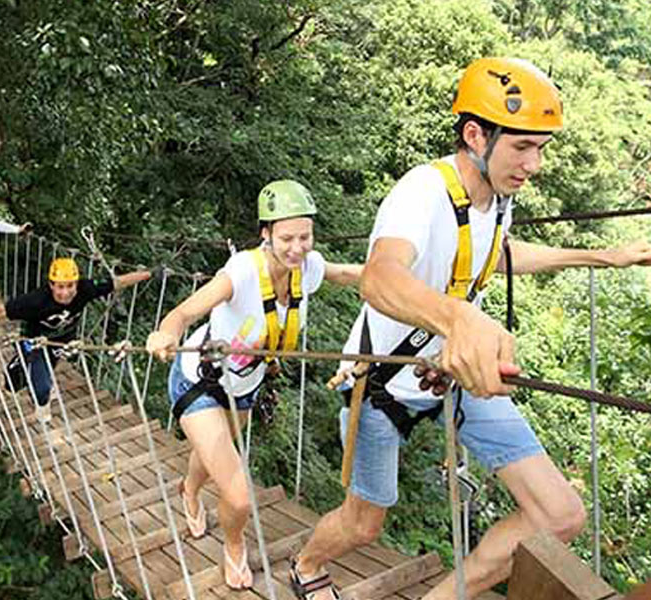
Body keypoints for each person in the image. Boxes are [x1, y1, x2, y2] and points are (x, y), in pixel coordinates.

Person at [288, 57, 651, 600]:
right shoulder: (421, 193)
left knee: (560, 515)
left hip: (453, 373)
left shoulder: (497, 200)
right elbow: (381, 277)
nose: (535, 164)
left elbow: (497, 255)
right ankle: (307, 565)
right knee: (364, 524)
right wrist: (462, 318)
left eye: (541, 148)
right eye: (522, 147)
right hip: (382, 383)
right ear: (475, 134)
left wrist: (605, 255)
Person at [146, 180, 362, 590]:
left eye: (305, 236)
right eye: (286, 238)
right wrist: (165, 333)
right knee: (239, 495)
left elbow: (349, 273)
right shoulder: (242, 271)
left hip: (244, 386)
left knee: (214, 457)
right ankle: (233, 544)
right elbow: (186, 311)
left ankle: (189, 490)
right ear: (266, 234)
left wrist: (403, 276)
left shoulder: (308, 268)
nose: (297, 247)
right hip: (199, 380)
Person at [0, 258, 151, 422]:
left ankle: (42, 408)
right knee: (13, 383)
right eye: (60, 286)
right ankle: (17, 375)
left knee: (43, 385)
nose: (66, 292)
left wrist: (148, 274)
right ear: (51, 285)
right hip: (34, 342)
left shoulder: (85, 289)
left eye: (70, 286)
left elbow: (119, 282)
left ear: (76, 284)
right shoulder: (35, 300)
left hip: (62, 341)